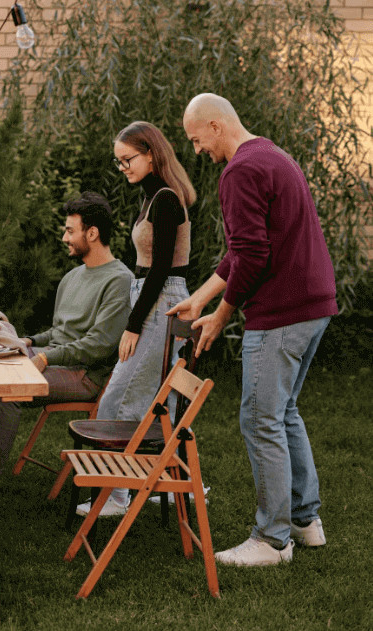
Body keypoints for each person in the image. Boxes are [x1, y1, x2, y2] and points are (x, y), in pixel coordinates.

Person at [172, 93, 337, 566]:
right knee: (283, 413)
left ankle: (271, 540)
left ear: (217, 125)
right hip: (313, 306)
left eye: (196, 138)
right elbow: (244, 249)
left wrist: (222, 315)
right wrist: (200, 297)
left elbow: (254, 255)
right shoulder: (272, 155)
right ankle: (305, 523)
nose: (197, 150)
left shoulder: (240, 171)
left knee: (260, 419)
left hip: (282, 313)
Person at [0, 192, 133, 505]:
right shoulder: (73, 277)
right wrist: (28, 342)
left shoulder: (119, 280)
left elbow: (100, 345)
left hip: (85, 375)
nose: (64, 236)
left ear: (92, 233)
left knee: (8, 390)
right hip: (56, 361)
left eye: (70, 230)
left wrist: (43, 357)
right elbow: (61, 331)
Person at [75, 121, 196, 518]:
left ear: (150, 153)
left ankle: (115, 495)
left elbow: (161, 268)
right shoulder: (152, 197)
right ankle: (164, 483)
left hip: (160, 300)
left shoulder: (164, 200)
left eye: (128, 159)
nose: (123, 167)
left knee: (120, 396)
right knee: (149, 397)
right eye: (119, 162)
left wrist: (133, 324)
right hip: (151, 297)